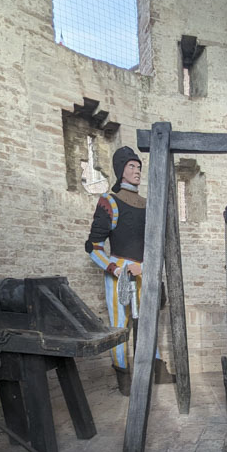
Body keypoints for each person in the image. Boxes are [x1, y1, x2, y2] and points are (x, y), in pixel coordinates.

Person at [85, 145, 161, 396]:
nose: (137, 171)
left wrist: (146, 267)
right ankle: (122, 375)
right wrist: (116, 268)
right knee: (120, 325)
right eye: (131, 167)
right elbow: (93, 246)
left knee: (150, 320)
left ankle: (157, 370)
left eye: (139, 167)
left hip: (144, 271)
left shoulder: (148, 204)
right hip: (120, 274)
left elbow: (154, 243)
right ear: (121, 171)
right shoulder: (109, 201)